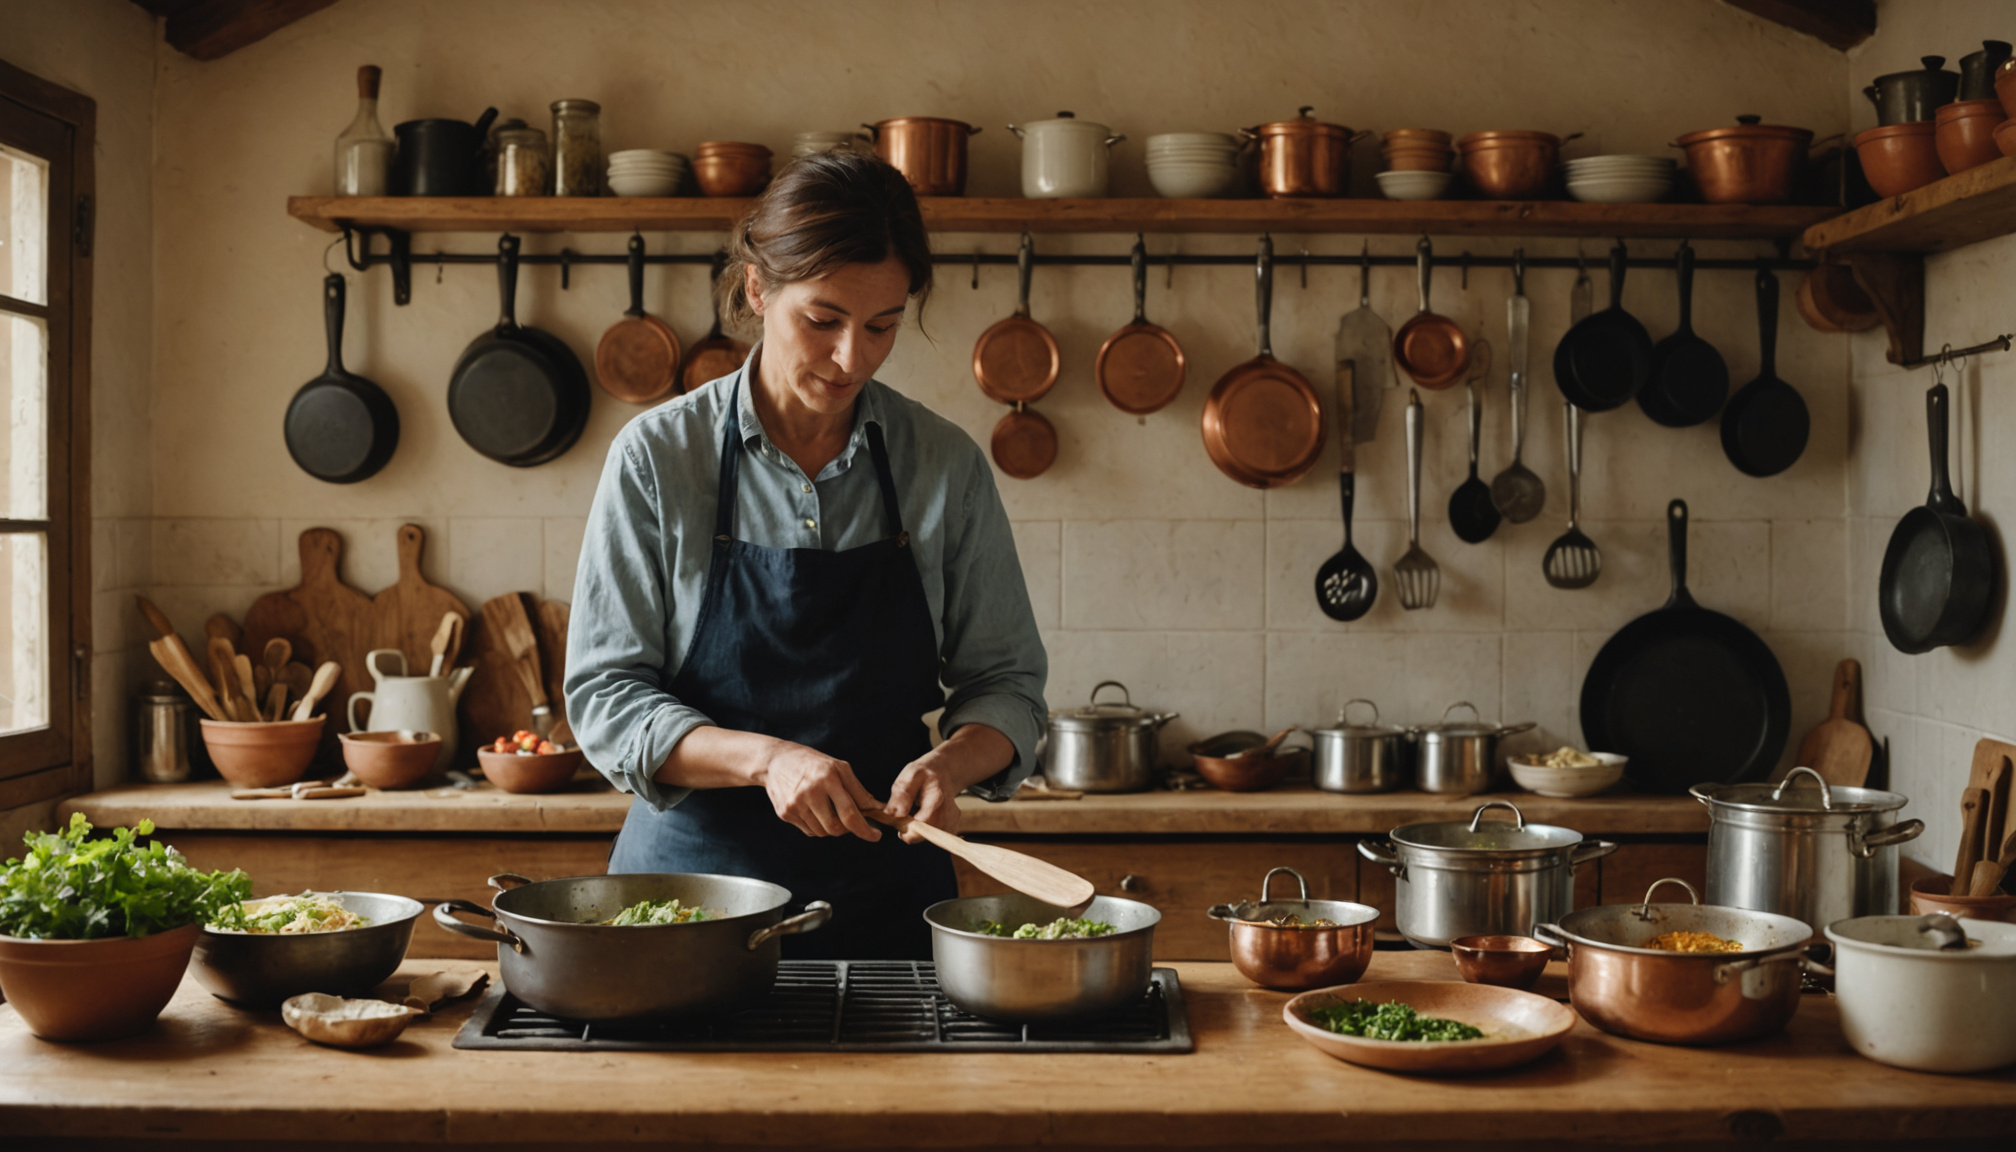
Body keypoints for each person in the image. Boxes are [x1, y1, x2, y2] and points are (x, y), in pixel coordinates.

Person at [565, 150, 1048, 960]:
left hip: (889, 903)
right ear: (758, 290)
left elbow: (1008, 686)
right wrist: (768, 761)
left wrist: (954, 765)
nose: (852, 359)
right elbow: (606, 698)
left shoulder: (944, 465)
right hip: (691, 910)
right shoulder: (657, 457)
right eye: (822, 320)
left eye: (883, 325)